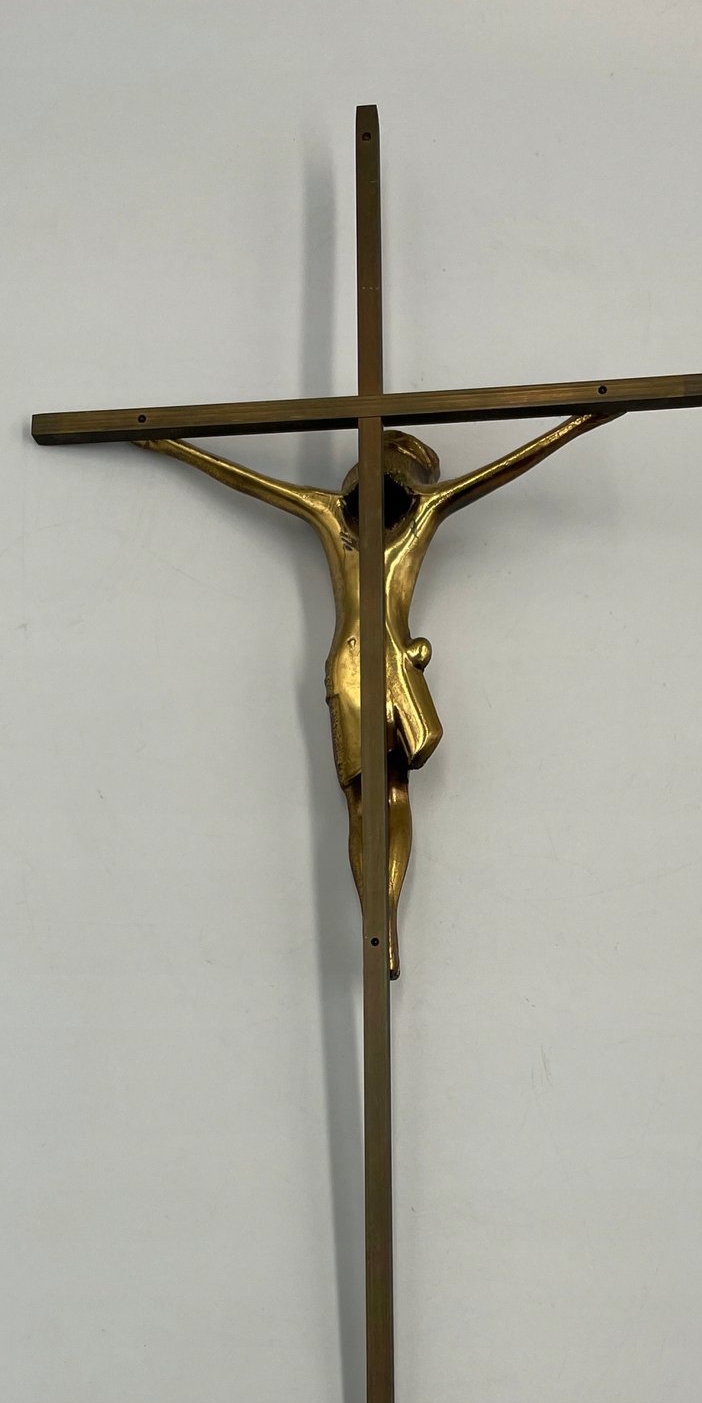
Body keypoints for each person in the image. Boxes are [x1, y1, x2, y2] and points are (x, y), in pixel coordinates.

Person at [133, 409, 618, 977]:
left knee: (394, 795)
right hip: (351, 666)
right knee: (365, 802)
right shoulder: (327, 513)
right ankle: (375, 919)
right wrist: (175, 446)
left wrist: (578, 423)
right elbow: (248, 480)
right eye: (386, 459)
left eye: (404, 467)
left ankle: (384, 918)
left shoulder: (421, 516)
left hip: (394, 665)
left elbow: (502, 469)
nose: (389, 472)